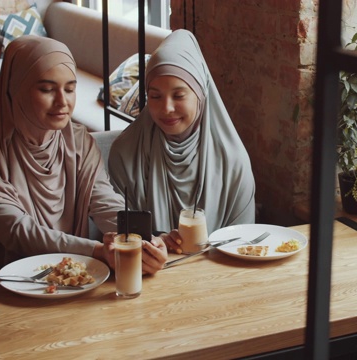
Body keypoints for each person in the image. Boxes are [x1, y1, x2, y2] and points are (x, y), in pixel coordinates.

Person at [0, 36, 167, 276]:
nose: (63, 102)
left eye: (70, 89)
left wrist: (143, 241)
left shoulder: (80, 141)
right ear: (14, 87)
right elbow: (17, 230)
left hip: (67, 279)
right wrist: (98, 250)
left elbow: (104, 202)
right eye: (47, 89)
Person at [108, 30, 256, 253]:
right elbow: (122, 236)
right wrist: (155, 242)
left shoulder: (231, 160)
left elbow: (244, 244)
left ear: (200, 94)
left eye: (178, 95)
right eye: (155, 96)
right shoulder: (126, 153)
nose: (166, 108)